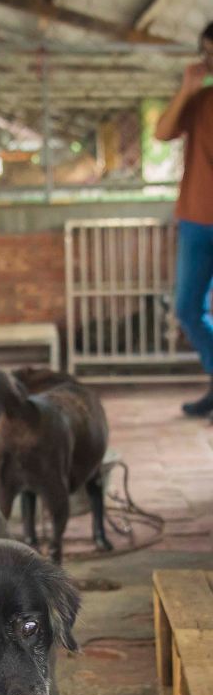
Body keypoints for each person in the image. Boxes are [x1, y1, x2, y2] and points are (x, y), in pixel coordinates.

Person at [155, 22, 213, 417]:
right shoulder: (200, 99)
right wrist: (186, 90)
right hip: (196, 218)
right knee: (189, 308)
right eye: (206, 53)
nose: (209, 61)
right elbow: (161, 133)